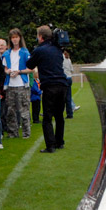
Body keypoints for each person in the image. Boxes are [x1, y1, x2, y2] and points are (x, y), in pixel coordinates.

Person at [26, 25, 68, 153]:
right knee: (59, 116)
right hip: (62, 84)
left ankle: (50, 145)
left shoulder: (39, 50)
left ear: (40, 37)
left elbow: (29, 65)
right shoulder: (58, 49)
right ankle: (59, 142)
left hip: (49, 86)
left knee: (47, 117)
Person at [2, 28, 33, 139]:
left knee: (24, 110)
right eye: (13, 38)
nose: (15, 40)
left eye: (16, 37)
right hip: (10, 85)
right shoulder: (7, 53)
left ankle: (26, 133)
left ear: (20, 38)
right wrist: (8, 72)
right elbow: (5, 68)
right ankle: (12, 132)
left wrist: (19, 72)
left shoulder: (25, 52)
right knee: (11, 110)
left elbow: (30, 69)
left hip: (22, 85)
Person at [63, 50, 80, 118]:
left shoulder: (61, 58)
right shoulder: (68, 59)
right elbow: (72, 69)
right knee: (68, 96)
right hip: (69, 78)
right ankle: (70, 113)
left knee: (62, 96)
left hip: (64, 78)